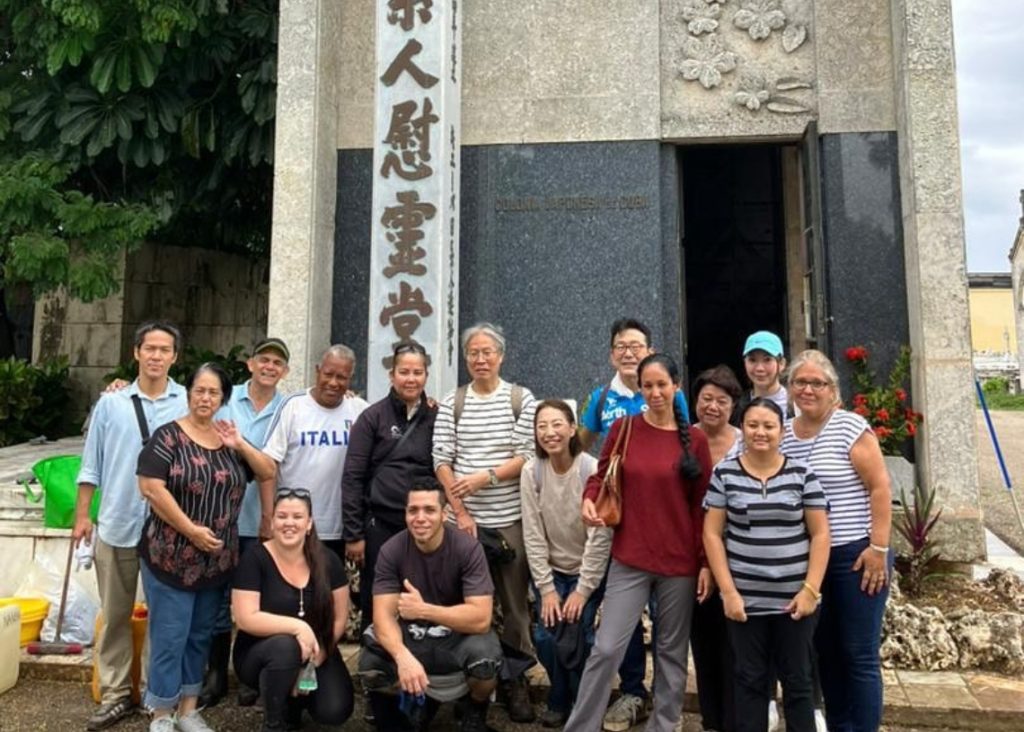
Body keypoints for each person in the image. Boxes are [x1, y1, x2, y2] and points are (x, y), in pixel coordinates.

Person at [566, 353, 713, 732]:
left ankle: (664, 725)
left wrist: (705, 563)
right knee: (606, 648)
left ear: (676, 386)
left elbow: (703, 507)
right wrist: (589, 498)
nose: (655, 392)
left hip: (679, 564)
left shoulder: (695, 440)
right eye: (647, 386)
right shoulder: (624, 429)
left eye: (662, 384)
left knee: (671, 654)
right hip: (629, 557)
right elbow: (601, 477)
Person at [136, 363, 275, 732]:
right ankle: (161, 712)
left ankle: (188, 709)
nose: (205, 398)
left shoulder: (228, 439)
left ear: (223, 399)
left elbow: (267, 472)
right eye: (200, 390)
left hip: (216, 561)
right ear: (188, 393)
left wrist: (240, 444)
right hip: (170, 557)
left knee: (200, 635)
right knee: (170, 636)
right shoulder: (168, 437)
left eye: (214, 393)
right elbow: (150, 488)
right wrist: (191, 530)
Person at [73, 321, 188, 731]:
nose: (156, 356)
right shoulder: (111, 404)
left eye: (164, 349)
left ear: (175, 356)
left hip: (168, 530)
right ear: (136, 352)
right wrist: (83, 516)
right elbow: (91, 463)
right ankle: (116, 694)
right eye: (149, 348)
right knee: (115, 615)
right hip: (118, 523)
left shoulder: (187, 402)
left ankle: (157, 696)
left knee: (164, 618)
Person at [780, 350, 893, 732]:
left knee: (858, 653)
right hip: (811, 559)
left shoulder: (850, 427)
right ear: (789, 388)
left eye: (818, 383)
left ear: (832, 390)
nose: (808, 389)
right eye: (800, 382)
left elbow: (879, 487)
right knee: (824, 650)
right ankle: (840, 724)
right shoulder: (784, 435)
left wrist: (878, 548)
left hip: (856, 555)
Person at [703, 398, 831, 732]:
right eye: (753, 425)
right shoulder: (725, 474)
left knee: (799, 681)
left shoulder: (803, 474)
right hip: (745, 602)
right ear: (742, 429)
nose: (760, 432)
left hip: (795, 602)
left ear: (781, 431)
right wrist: (728, 592)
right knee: (749, 681)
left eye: (769, 426)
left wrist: (810, 590)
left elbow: (820, 534)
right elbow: (712, 534)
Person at [432, 322, 538, 722]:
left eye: (487, 352)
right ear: (465, 359)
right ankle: (466, 680)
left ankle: (516, 679)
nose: (480, 359)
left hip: (509, 518)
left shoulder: (520, 399)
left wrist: (486, 477)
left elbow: (528, 454)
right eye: (473, 353)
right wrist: (460, 512)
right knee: (461, 603)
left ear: (501, 356)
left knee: (515, 607)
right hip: (463, 524)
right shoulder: (453, 402)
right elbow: (441, 459)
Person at [358, 483, 503, 732]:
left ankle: (474, 710)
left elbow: (481, 618)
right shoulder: (391, 550)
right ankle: (411, 704)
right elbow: (382, 618)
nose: (420, 518)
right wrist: (402, 657)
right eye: (413, 510)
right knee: (370, 664)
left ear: (444, 514)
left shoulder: (468, 548)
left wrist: (425, 610)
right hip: (412, 635)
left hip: (458, 636)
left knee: (486, 659)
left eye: (429, 510)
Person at [200, 337, 291, 709]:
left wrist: (270, 517)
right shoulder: (223, 398)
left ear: (285, 371)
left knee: (259, 602)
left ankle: (250, 674)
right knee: (218, 599)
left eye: (277, 363)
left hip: (261, 522)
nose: (269, 367)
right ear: (250, 364)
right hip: (218, 520)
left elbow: (270, 469)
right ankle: (216, 674)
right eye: (263, 360)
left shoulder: (288, 407)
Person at [232, 487, 355, 732]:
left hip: (317, 650)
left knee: (334, 709)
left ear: (309, 524)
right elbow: (245, 618)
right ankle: (273, 723)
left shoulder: (329, 561)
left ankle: (294, 705)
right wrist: (299, 627)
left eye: (297, 517)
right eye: (282, 516)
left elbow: (340, 619)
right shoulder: (254, 559)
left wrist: (317, 659)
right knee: (285, 646)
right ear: (272, 522)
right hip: (260, 653)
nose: (289, 523)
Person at [521, 400, 611, 727]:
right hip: (552, 572)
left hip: (587, 571)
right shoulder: (532, 472)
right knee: (546, 637)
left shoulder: (591, 470)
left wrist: (583, 590)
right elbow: (533, 534)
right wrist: (546, 589)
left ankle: (579, 703)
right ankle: (562, 695)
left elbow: (600, 537)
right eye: (542, 426)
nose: (550, 432)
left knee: (581, 635)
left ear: (573, 428)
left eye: (557, 424)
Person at [342, 342, 438, 635]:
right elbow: (353, 476)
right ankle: (376, 653)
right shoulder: (372, 417)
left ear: (426, 375)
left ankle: (423, 653)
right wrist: (354, 534)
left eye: (418, 372)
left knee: (425, 592)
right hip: (380, 524)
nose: (411, 379)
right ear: (392, 374)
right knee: (379, 593)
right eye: (404, 372)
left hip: (424, 524)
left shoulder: (436, 416)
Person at [262, 344, 369, 559]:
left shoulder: (360, 410)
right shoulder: (293, 406)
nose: (333, 383)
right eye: (328, 374)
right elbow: (268, 466)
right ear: (317, 370)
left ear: (350, 378)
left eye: (341, 377)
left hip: (340, 529)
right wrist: (268, 517)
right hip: (294, 525)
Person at [689, 365, 744, 732]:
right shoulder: (683, 438)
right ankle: (712, 719)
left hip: (740, 554)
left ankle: (737, 720)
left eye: (721, 400)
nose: (712, 406)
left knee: (736, 643)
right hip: (693, 554)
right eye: (706, 398)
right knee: (704, 640)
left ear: (733, 405)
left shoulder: (745, 440)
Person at [737, 331, 790, 419]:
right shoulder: (737, 408)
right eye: (752, 360)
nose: (759, 368)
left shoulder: (796, 405)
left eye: (767, 360)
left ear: (781, 363)